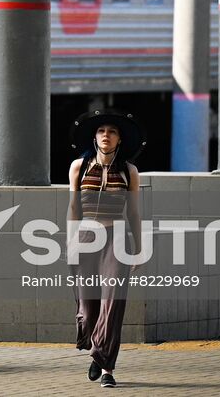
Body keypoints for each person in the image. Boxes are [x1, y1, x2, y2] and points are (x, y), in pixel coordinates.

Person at [67, 108, 145, 389]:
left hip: (117, 239)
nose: (106, 136)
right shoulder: (79, 166)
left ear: (119, 139)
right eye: (101, 131)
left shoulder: (129, 171)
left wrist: (138, 248)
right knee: (88, 311)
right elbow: (74, 207)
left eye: (112, 132)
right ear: (94, 137)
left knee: (112, 306)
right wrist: (70, 241)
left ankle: (105, 366)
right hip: (86, 238)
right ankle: (94, 345)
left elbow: (134, 214)